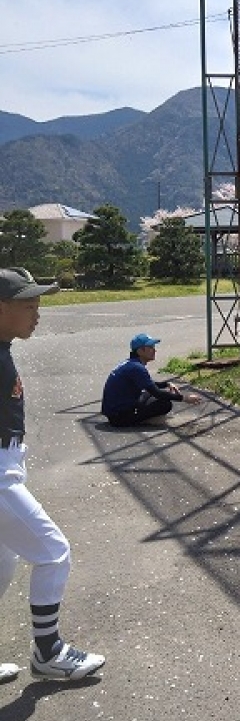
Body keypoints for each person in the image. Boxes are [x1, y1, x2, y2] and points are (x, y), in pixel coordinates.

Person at [0, 267, 105, 681]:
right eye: (29, 306)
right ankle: (49, 653)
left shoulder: (3, 347)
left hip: (8, 463)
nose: (37, 314)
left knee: (2, 565)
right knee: (53, 551)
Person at [102, 333, 197, 426]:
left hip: (113, 412)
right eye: (150, 347)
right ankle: (142, 420)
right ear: (140, 351)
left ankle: (139, 414)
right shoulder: (137, 368)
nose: (154, 350)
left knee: (152, 393)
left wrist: (166, 384)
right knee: (165, 404)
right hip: (119, 417)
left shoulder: (130, 363)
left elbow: (148, 384)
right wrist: (184, 398)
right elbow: (157, 393)